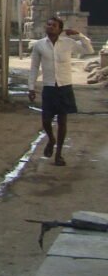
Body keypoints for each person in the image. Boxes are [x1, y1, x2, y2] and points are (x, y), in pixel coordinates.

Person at [27, 17, 94, 166]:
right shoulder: (39, 45)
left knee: (62, 122)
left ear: (60, 29)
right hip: (49, 87)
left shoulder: (68, 43)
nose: (50, 27)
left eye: (54, 25)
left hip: (64, 87)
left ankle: (59, 154)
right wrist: (31, 88)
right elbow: (34, 68)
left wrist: (79, 35)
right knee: (46, 120)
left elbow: (89, 49)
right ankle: (51, 139)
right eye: (48, 24)